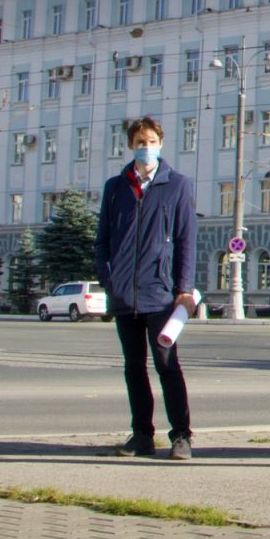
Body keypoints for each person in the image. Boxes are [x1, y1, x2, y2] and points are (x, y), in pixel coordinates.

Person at [93, 116, 199, 460]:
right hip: (125, 294)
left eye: (152, 141)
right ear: (130, 145)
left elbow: (186, 240)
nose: (146, 147)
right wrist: (110, 280)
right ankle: (141, 435)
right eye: (140, 141)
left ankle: (181, 436)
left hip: (161, 293)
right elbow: (103, 241)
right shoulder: (116, 187)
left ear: (161, 143)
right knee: (133, 367)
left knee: (167, 364)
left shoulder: (177, 185)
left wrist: (184, 287)